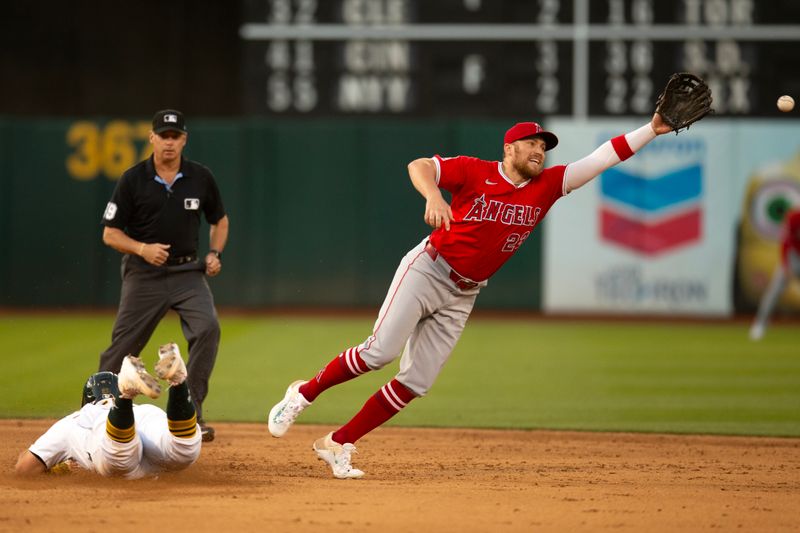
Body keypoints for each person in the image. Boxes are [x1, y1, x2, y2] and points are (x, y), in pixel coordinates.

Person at [266, 111, 683, 479]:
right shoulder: (474, 170)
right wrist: (433, 195)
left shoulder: (550, 185)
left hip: (464, 293)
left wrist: (651, 129)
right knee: (379, 353)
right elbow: (420, 165)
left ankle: (338, 442)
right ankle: (301, 395)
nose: (540, 151)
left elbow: (603, 157)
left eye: (544, 145)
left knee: (415, 382)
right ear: (509, 148)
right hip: (428, 270)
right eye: (532, 143)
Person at [98, 109, 229, 442]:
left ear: (184, 140)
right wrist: (143, 249)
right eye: (163, 135)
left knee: (208, 328)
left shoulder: (200, 177)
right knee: (121, 349)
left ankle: (191, 414)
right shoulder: (133, 179)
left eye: (175, 136)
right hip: (145, 274)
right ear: (152, 137)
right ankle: (96, 412)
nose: (169, 142)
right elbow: (110, 234)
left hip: (187, 271)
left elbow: (220, 219)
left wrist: (214, 253)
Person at [16, 343, 201, 478]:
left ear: (87, 400)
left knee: (120, 460)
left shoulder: (75, 420)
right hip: (146, 417)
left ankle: (126, 394)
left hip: (104, 428)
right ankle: (178, 382)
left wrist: (59, 469)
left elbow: (24, 469)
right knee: (183, 450)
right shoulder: (145, 409)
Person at [749, 208, 800, 340]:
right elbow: (786, 241)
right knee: (774, 292)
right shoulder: (794, 217)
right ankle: (760, 325)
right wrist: (786, 264)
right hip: (793, 258)